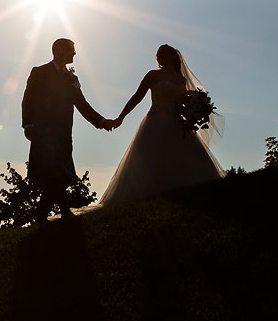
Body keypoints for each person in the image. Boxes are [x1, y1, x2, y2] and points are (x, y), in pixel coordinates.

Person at [100, 45, 225, 206]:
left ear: (173, 56)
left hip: (176, 123)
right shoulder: (153, 75)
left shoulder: (181, 79)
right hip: (155, 122)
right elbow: (137, 97)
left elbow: (181, 103)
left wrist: (196, 108)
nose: (159, 57)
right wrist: (120, 117)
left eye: (163, 53)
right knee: (151, 160)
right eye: (158, 54)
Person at [22, 38, 113, 223]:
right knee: (54, 173)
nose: (75, 53)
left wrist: (101, 121)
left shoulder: (72, 78)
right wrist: (28, 124)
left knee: (58, 173)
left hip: (64, 132)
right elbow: (28, 99)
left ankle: (50, 214)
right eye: (72, 50)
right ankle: (57, 213)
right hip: (44, 131)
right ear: (61, 50)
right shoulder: (40, 72)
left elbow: (81, 104)